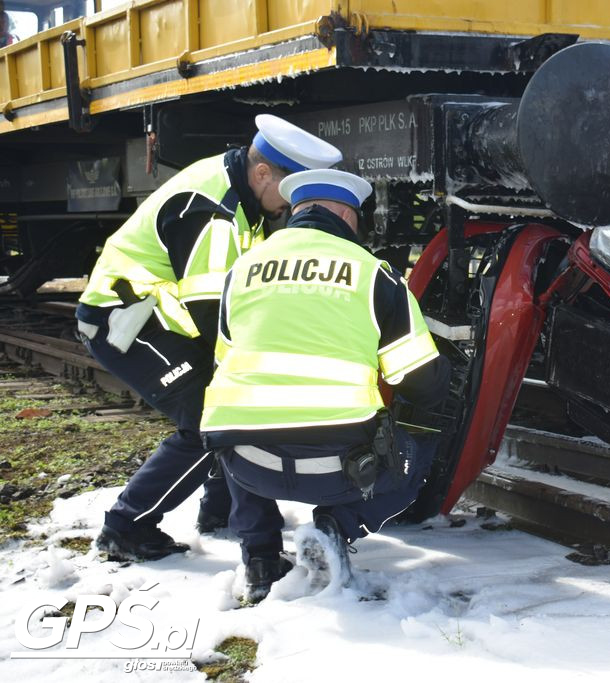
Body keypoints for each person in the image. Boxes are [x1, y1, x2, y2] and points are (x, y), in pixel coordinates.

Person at [76, 115, 342, 562]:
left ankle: (217, 515)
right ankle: (125, 527)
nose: (295, 206)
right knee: (209, 419)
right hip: (127, 319)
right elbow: (214, 315)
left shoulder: (243, 195)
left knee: (222, 407)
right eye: (293, 192)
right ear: (263, 174)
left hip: (158, 316)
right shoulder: (214, 212)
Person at [199, 168, 450, 602]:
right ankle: (336, 527)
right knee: (420, 446)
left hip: (249, 467)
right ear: (346, 216)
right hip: (342, 469)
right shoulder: (376, 275)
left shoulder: (241, 270)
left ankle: (260, 560)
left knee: (235, 424)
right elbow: (420, 382)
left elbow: (225, 360)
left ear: (296, 212)